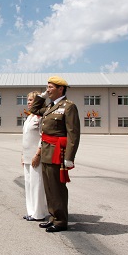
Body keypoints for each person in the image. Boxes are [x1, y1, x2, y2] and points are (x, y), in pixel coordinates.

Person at [30, 76, 80, 233]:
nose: (48, 89)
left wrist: (69, 158)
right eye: (47, 87)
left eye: (50, 87)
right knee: (49, 188)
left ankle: (60, 221)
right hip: (46, 152)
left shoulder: (68, 107)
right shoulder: (51, 106)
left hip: (58, 152)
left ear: (61, 89)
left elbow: (74, 134)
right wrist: (41, 96)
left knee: (57, 188)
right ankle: (53, 217)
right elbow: (34, 110)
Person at [21, 91, 46, 222]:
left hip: (36, 156)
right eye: (28, 100)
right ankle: (31, 211)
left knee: (37, 185)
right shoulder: (29, 117)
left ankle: (39, 213)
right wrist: (22, 155)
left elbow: (43, 137)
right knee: (29, 184)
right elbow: (25, 138)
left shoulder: (41, 117)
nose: (29, 102)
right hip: (27, 156)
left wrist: (38, 154)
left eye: (32, 100)